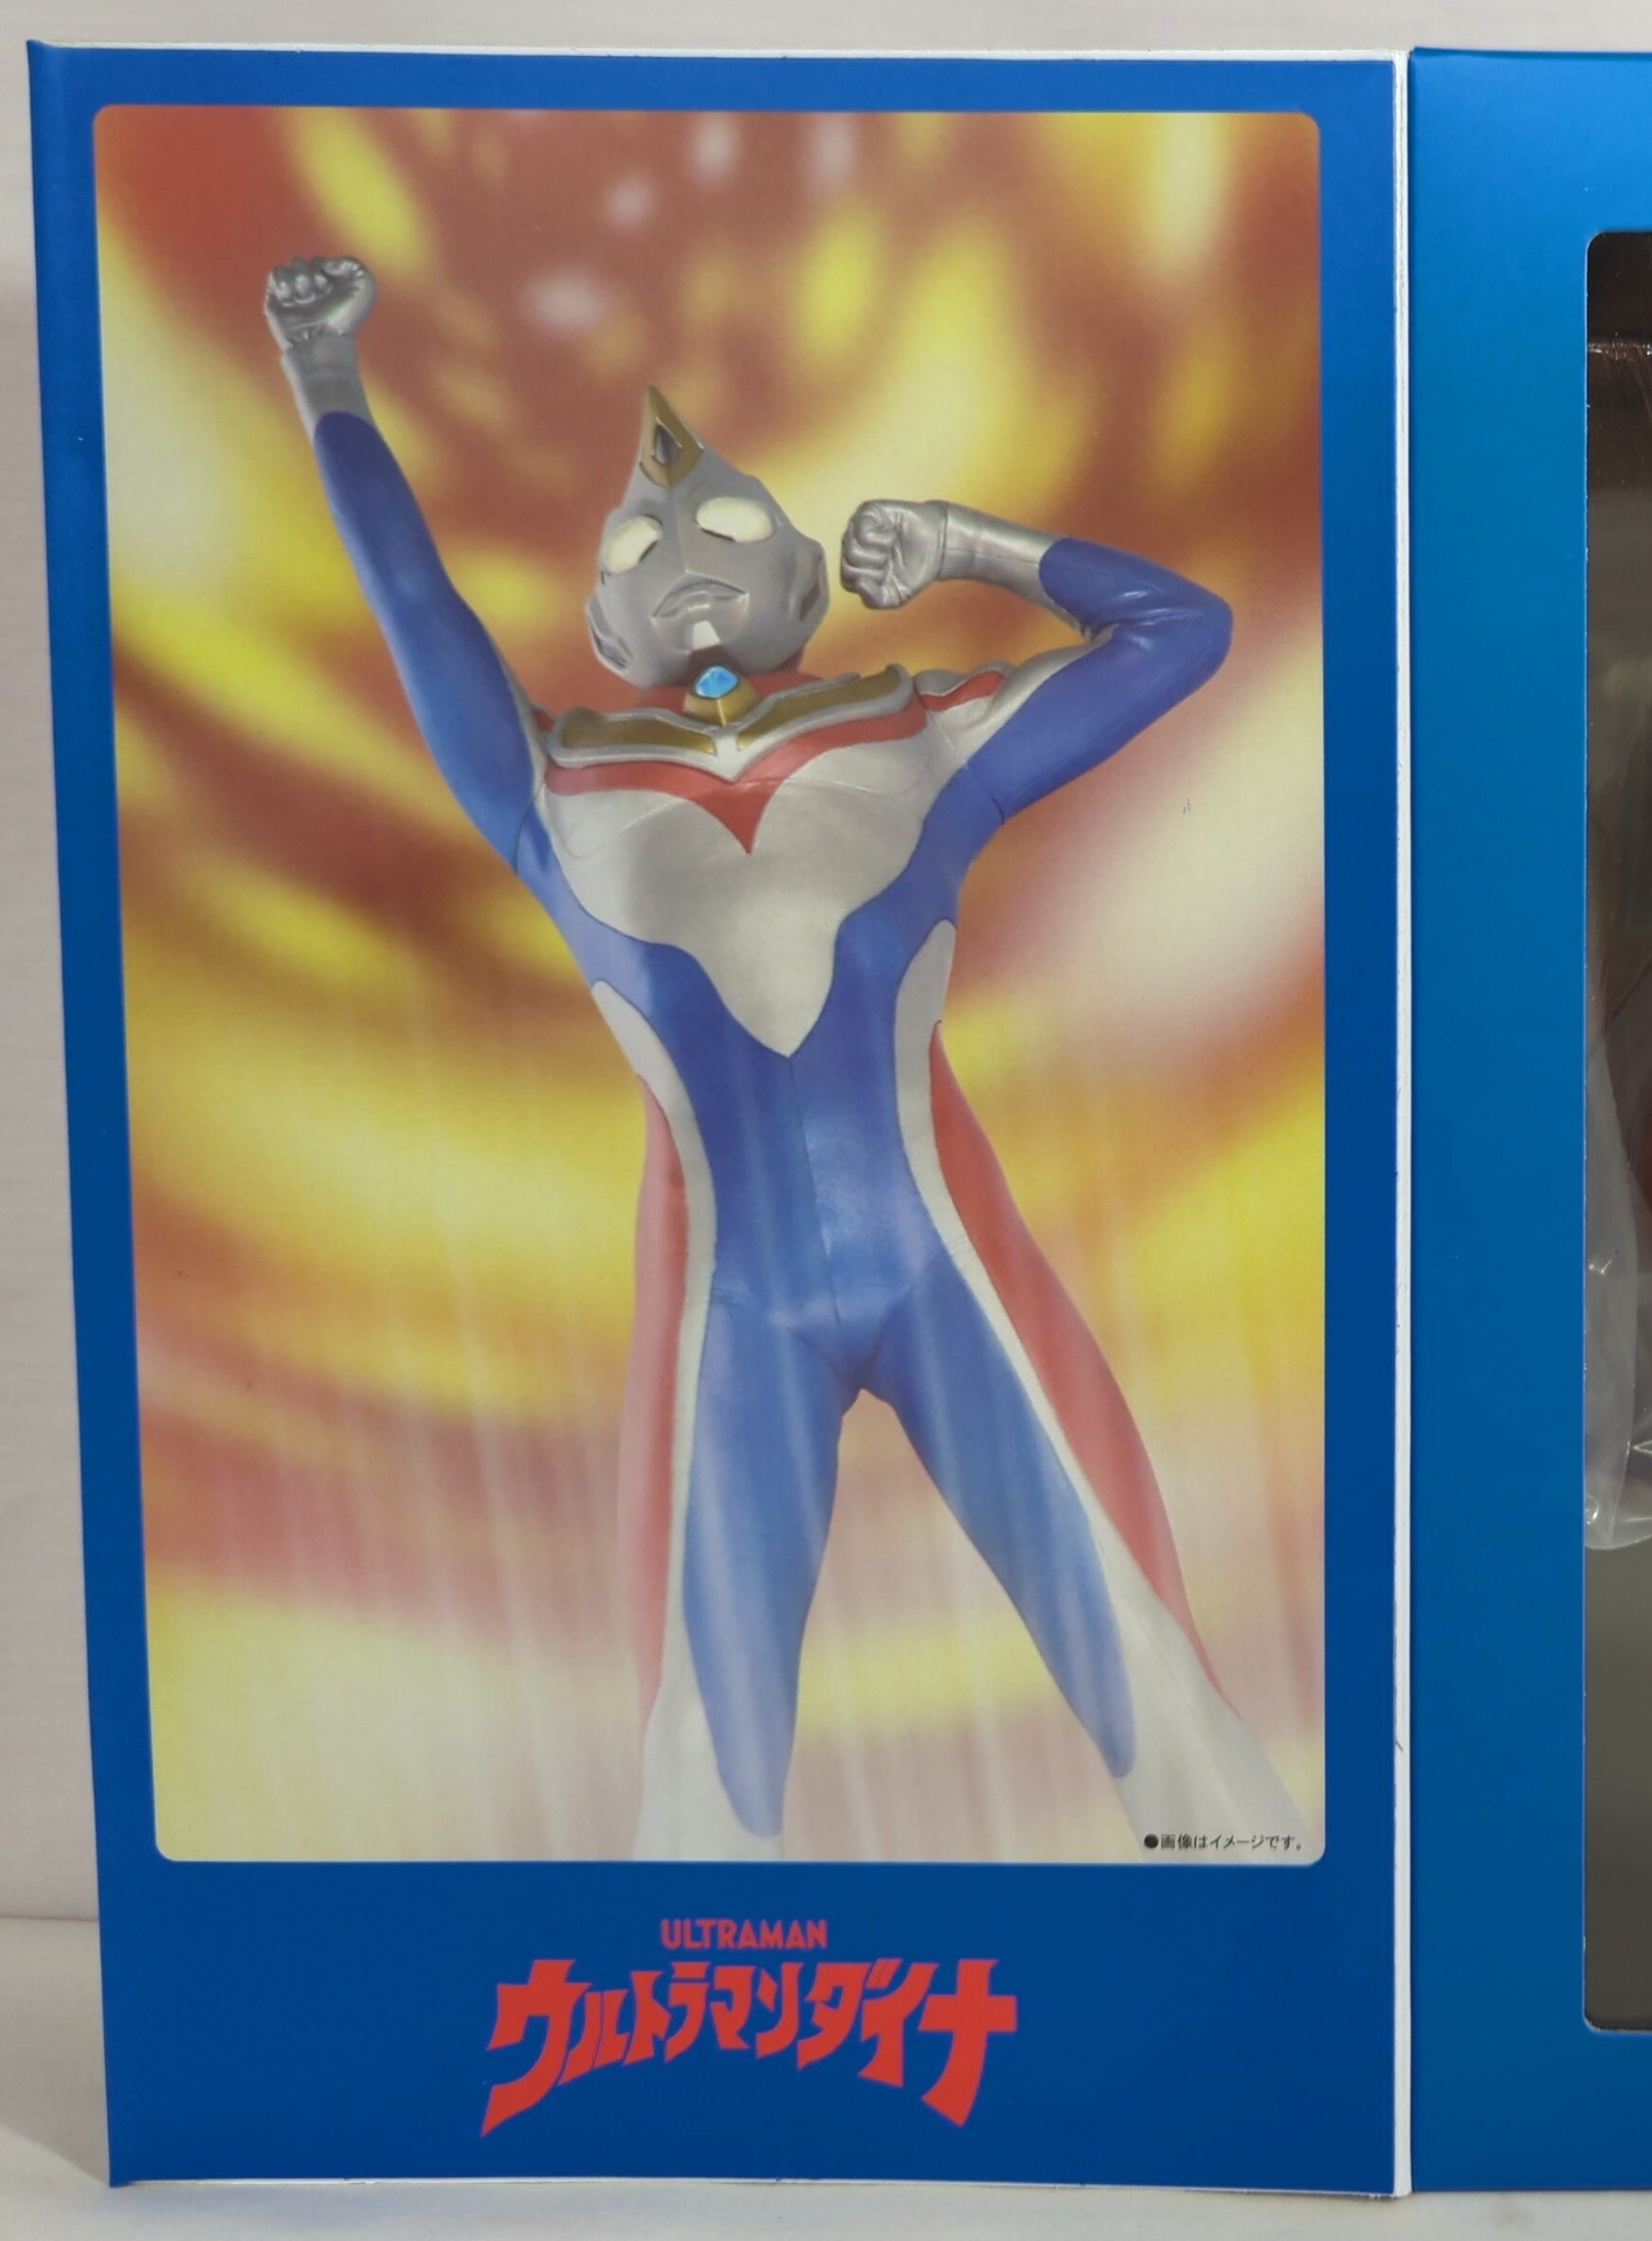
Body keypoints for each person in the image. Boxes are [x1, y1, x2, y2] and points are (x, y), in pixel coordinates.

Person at [265, 252, 1301, 1862]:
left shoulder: (923, 727)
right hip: (726, 1315)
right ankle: (709, 2019)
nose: (684, 550)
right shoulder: (547, 779)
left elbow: (1182, 630)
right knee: (698, 1775)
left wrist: (965, 541)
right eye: (639, 548)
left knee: (1163, 1694)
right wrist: (320, 369)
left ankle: (1240, 1977)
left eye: (734, 528)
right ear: (600, 625)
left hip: (953, 1269)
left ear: (810, 584)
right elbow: (417, 602)